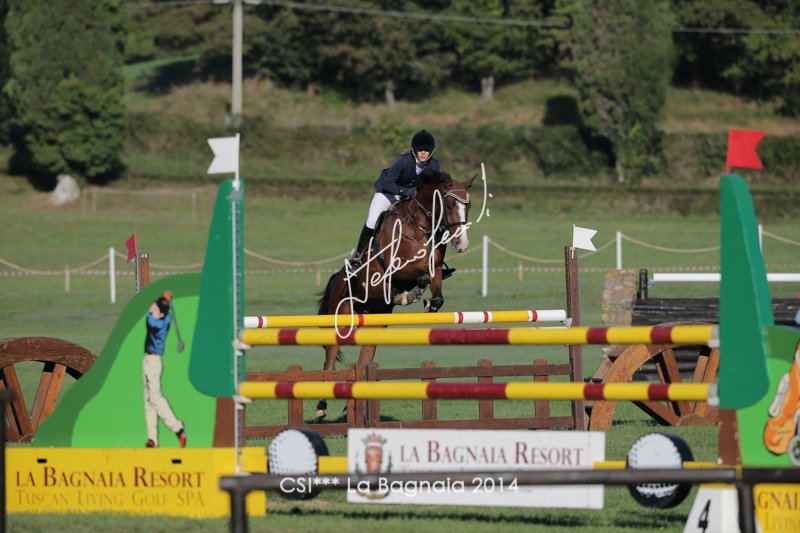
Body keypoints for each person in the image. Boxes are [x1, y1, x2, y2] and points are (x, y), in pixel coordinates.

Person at [348, 130, 440, 270]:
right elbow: (388, 183)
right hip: (388, 192)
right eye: (420, 149)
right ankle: (357, 258)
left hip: (412, 196)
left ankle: (435, 261)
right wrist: (406, 191)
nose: (423, 153)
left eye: (426, 150)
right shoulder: (403, 161)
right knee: (372, 220)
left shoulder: (434, 165)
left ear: (431, 151)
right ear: (414, 150)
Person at [143, 291, 186, 448]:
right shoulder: (166, 317)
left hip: (153, 362)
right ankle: (152, 438)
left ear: (161, 314)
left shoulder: (156, 323)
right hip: (148, 360)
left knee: (155, 398)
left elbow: (149, 318)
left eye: (155, 309)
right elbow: (161, 309)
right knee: (148, 401)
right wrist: (166, 300)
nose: (152, 309)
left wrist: (158, 304)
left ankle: (178, 428)